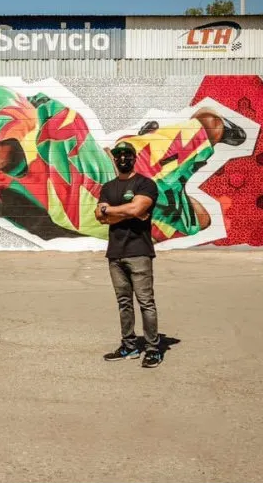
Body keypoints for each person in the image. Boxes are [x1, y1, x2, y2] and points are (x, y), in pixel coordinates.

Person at [0, 82, 246, 243]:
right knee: (199, 221)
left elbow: (8, 151)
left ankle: (198, 129)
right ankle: (142, 150)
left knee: (210, 127)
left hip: (85, 175)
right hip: (88, 217)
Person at [95, 141, 163, 369]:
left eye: (127, 154)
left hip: (139, 251)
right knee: (124, 303)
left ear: (134, 158)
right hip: (115, 253)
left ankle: (152, 349)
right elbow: (99, 215)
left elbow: (136, 208)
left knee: (146, 303)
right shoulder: (108, 187)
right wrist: (128, 212)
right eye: (119, 155)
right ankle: (129, 346)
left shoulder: (145, 184)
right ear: (114, 159)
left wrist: (112, 211)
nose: (122, 158)